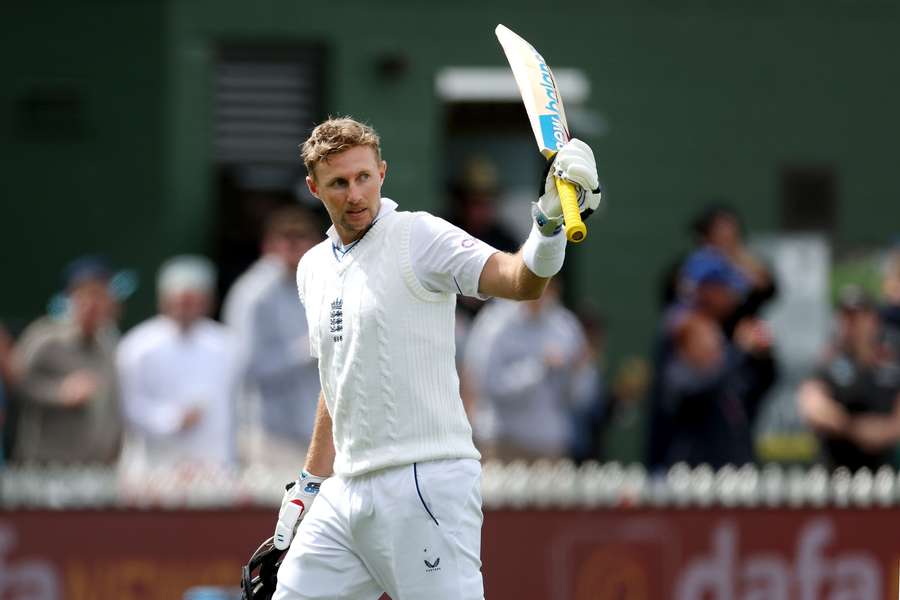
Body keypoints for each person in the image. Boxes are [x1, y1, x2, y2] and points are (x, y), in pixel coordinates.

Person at [269, 117, 601, 600]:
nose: (355, 193)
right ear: (314, 187)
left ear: (382, 172)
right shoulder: (313, 267)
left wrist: (547, 224)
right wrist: (311, 481)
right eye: (339, 183)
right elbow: (335, 376)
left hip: (425, 481)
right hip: (346, 492)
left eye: (364, 177)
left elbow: (520, 282)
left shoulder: (418, 236)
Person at [116, 255, 243, 473]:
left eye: (192, 301)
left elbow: (237, 405)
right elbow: (128, 405)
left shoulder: (227, 344)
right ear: (164, 301)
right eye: (179, 301)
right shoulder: (137, 346)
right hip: (156, 468)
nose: (185, 308)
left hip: (214, 466)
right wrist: (171, 419)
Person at [223, 206, 323, 468]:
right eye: (285, 238)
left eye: (301, 237)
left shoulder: (323, 285)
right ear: (269, 245)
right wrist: (302, 352)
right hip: (269, 436)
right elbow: (245, 367)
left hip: (319, 432)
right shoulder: (254, 294)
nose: (293, 245)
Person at [463, 281, 598, 461]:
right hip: (504, 443)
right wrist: (539, 367)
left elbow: (581, 397)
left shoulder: (566, 327)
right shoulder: (495, 323)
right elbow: (487, 385)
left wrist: (577, 373)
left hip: (550, 444)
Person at [11, 256, 122, 464]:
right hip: (46, 465)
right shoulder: (44, 337)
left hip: (95, 466)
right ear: (70, 298)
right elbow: (17, 383)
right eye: (84, 295)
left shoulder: (110, 341)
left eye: (99, 295)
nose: (92, 304)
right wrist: (59, 392)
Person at [798, 286, 900, 470]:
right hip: (835, 473)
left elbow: (895, 426)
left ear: (873, 320)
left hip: (883, 475)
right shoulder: (829, 363)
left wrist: (883, 431)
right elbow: (813, 407)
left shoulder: (891, 366)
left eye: (857, 317)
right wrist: (854, 428)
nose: (851, 324)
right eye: (845, 316)